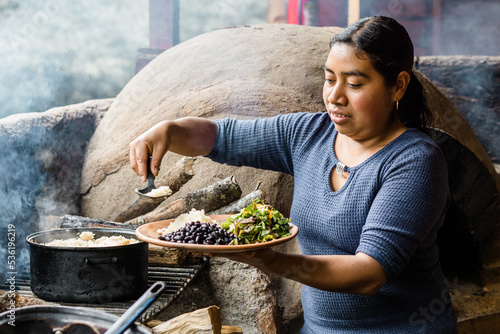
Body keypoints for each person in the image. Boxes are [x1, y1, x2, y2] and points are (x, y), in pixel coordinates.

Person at [129, 16, 457, 333]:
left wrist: (271, 261)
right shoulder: (307, 134)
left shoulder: (416, 161)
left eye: (354, 83)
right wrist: (168, 131)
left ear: (398, 86)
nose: (335, 96)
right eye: (330, 79)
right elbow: (220, 137)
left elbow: (370, 273)